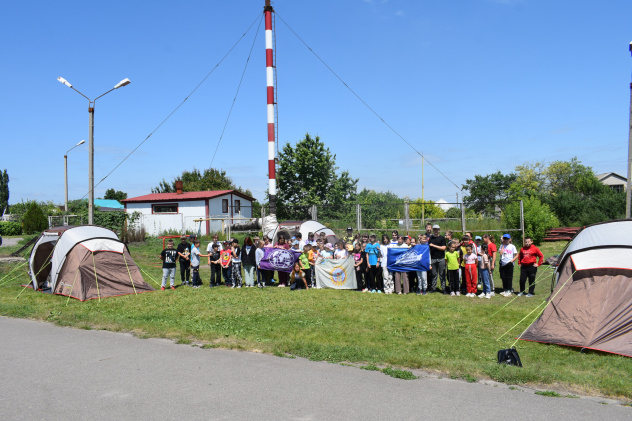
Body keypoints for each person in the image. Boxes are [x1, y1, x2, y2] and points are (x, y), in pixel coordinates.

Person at [428, 225, 447, 294]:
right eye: (435, 229)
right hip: (433, 259)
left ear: (439, 230)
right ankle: (433, 288)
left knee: (442, 274)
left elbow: (443, 248)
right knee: (434, 274)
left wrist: (434, 246)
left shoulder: (442, 238)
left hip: (441, 258)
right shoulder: (431, 238)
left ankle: (444, 289)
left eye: (437, 229)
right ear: (433, 230)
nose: (436, 231)